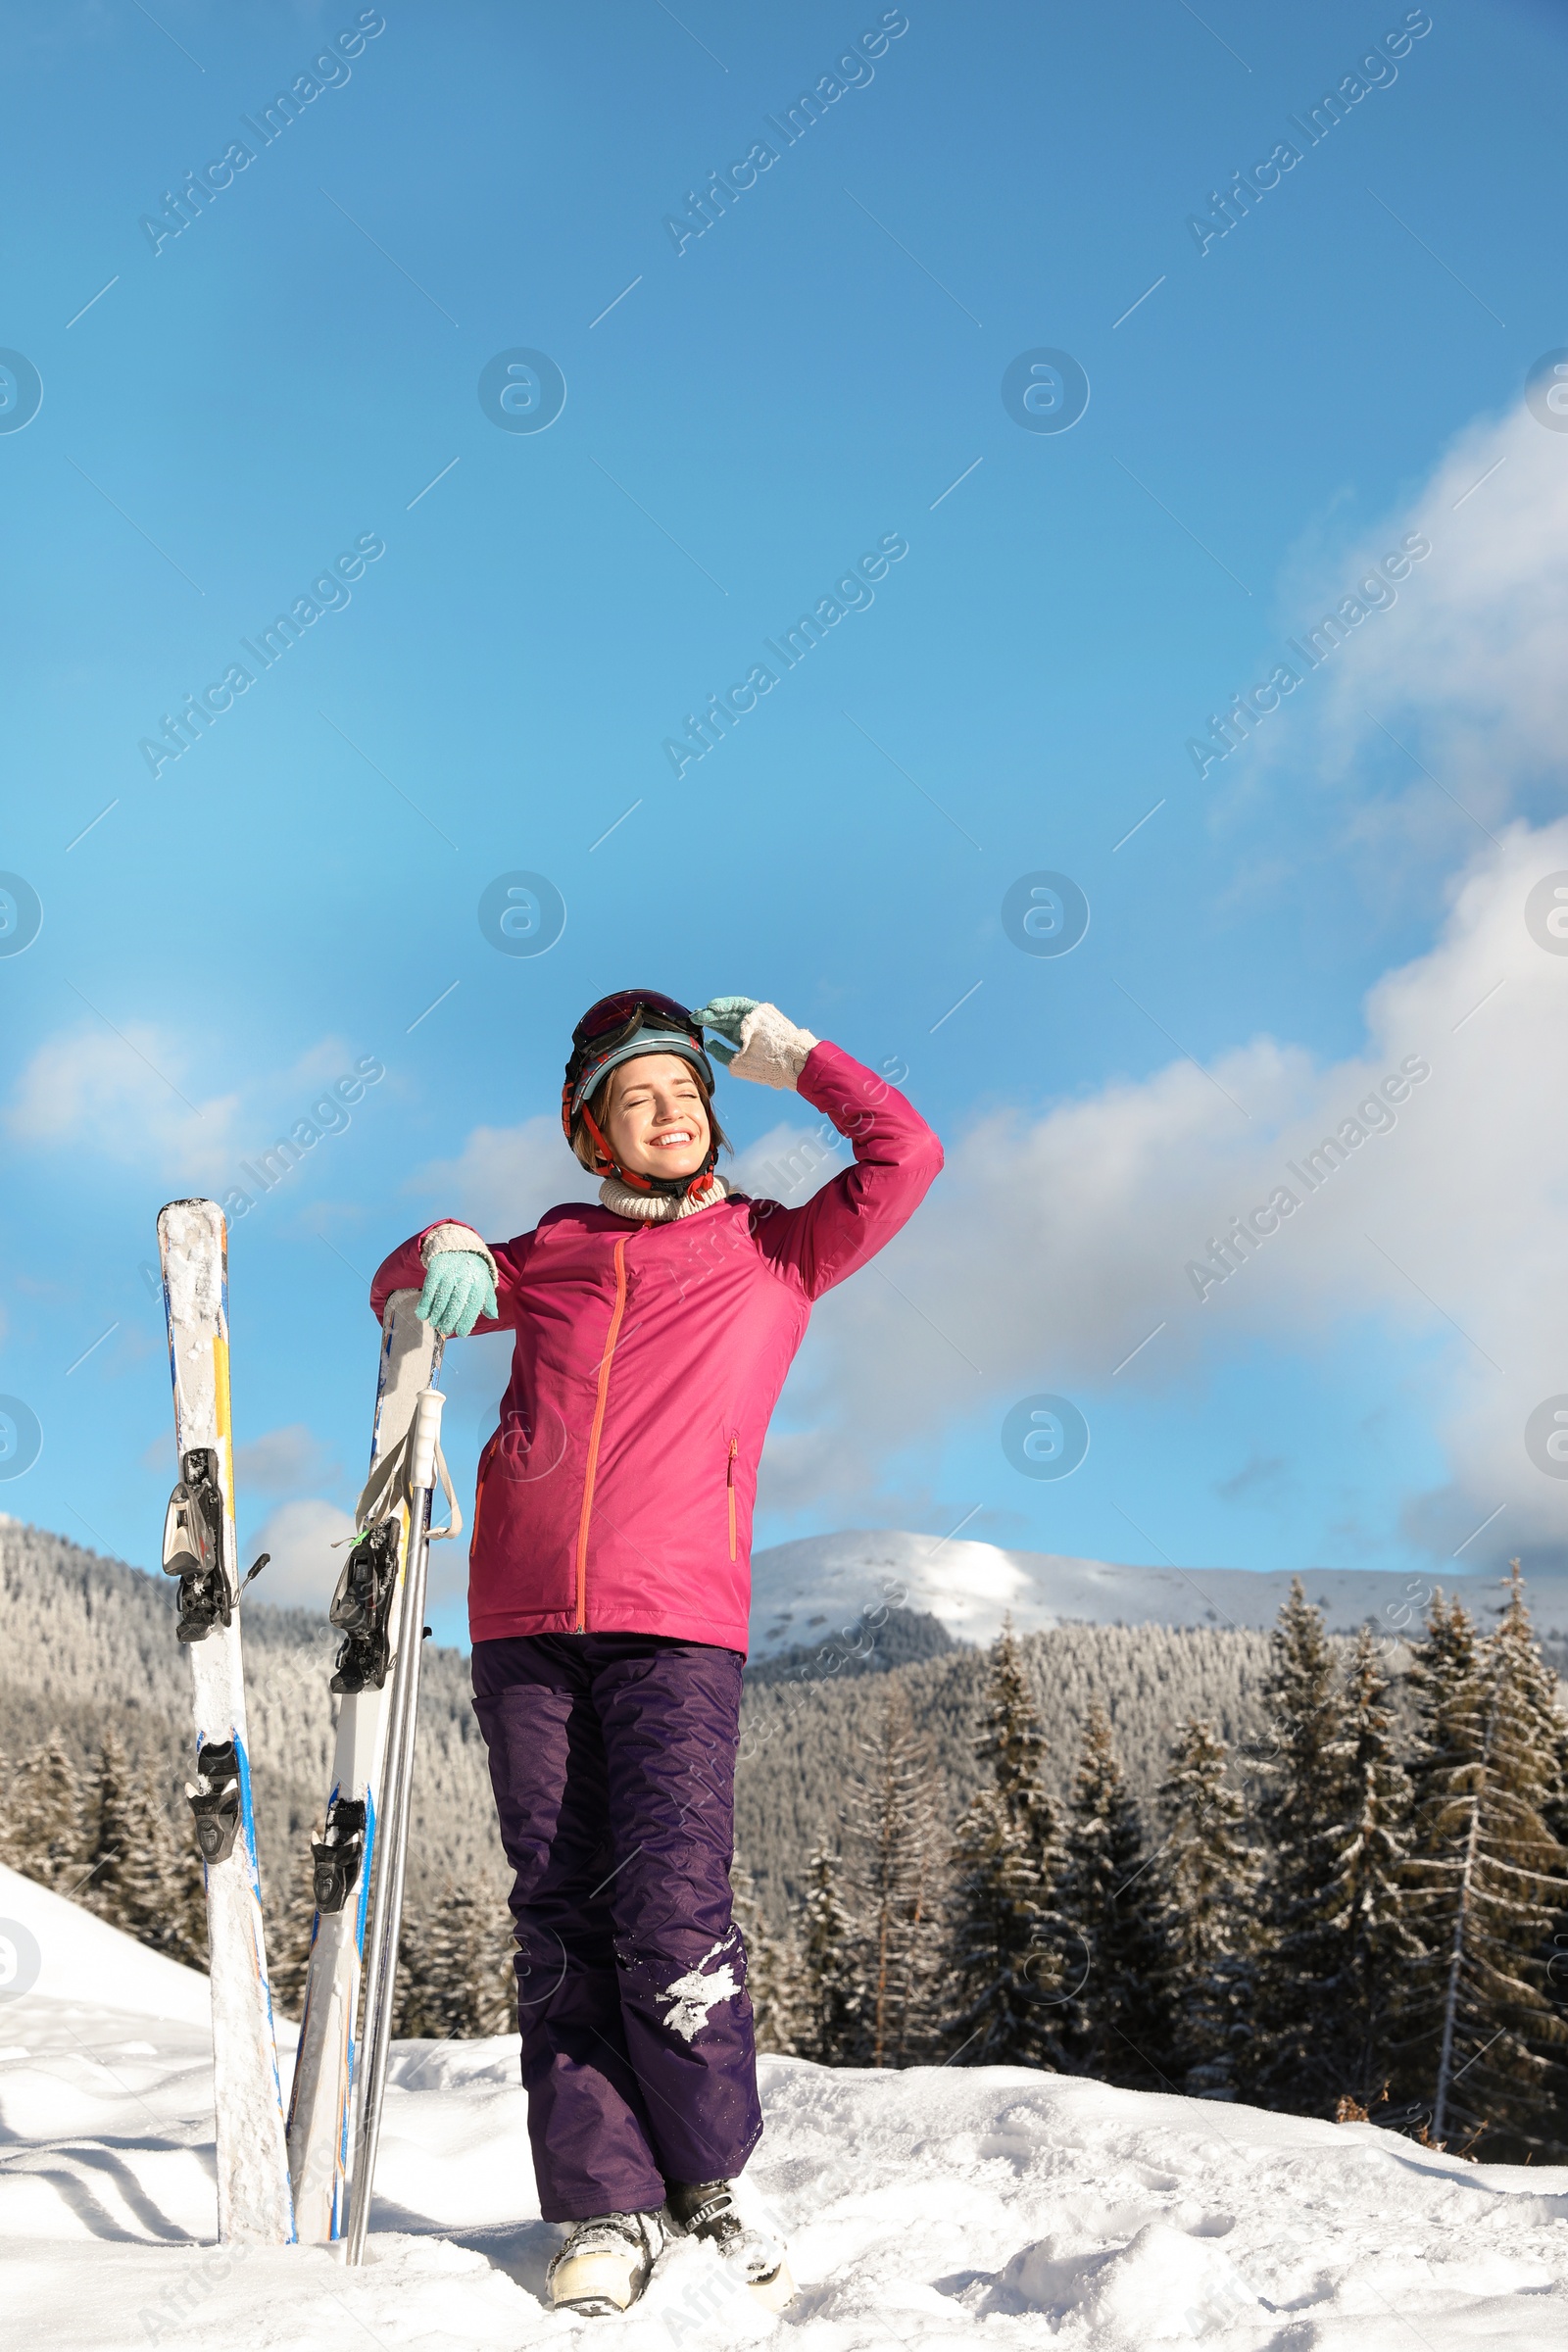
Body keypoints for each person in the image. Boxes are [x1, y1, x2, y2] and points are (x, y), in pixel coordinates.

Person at [369, 990, 943, 2317]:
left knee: (670, 1913)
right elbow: (401, 1294)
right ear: (590, 1134)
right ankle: (600, 2202)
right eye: (635, 1098)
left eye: (684, 1091)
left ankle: (711, 2176)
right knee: (560, 1916)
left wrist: (802, 1061)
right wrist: (442, 1243)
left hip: (677, 1622)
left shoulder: (776, 1250)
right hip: (522, 1625)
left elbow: (905, 1156)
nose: (668, 1111)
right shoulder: (551, 1252)